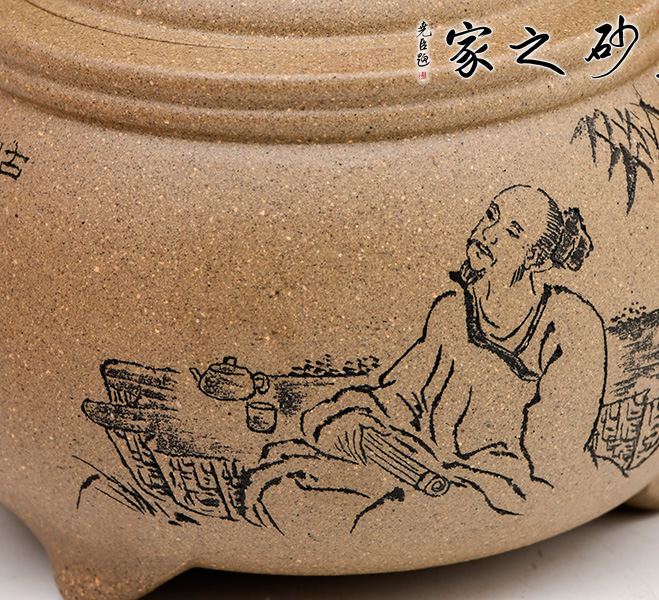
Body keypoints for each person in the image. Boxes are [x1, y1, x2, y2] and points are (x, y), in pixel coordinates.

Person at [242, 185, 607, 530]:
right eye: (491, 215)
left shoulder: (568, 325)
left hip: (496, 489)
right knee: (280, 485)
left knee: (370, 521)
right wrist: (350, 422)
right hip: (418, 467)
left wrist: (455, 480)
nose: (488, 233)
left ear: (536, 258)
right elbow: (401, 396)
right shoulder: (452, 312)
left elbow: (551, 461)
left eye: (512, 232)